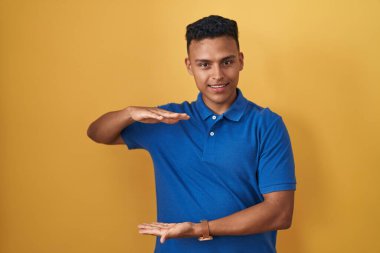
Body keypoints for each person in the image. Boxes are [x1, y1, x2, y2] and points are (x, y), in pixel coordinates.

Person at [87, 15, 296, 253]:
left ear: (240, 60)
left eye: (226, 62)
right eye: (204, 64)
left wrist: (201, 229)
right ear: (189, 66)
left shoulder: (266, 124)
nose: (217, 75)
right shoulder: (166, 119)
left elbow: (279, 213)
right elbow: (97, 133)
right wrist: (129, 113)